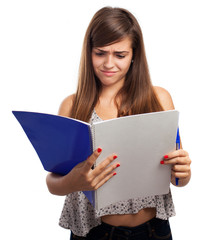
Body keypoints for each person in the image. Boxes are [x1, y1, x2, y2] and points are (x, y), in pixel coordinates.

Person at [46, 6, 191, 240]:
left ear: (134, 55)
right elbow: (53, 183)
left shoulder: (159, 98)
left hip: (153, 230)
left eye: (120, 55)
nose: (108, 63)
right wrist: (74, 180)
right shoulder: (72, 106)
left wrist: (183, 171)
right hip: (95, 232)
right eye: (100, 53)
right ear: (89, 52)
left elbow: (178, 180)